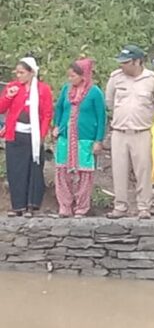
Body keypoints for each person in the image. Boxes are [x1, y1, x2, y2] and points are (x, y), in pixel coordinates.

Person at [105, 45, 154, 219]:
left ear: (137, 61)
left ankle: (144, 207)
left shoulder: (152, 79)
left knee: (143, 170)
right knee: (119, 170)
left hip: (141, 131)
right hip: (120, 131)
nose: (122, 66)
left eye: (126, 62)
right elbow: (109, 101)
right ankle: (120, 206)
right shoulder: (116, 78)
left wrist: (145, 115)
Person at [52, 58, 106, 218]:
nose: (70, 79)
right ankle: (65, 206)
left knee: (84, 174)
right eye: (69, 76)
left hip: (85, 139)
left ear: (84, 75)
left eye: (73, 76)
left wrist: (98, 140)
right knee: (62, 172)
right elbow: (60, 108)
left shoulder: (94, 92)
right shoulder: (66, 90)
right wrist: (56, 126)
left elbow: (101, 117)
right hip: (65, 138)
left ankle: (82, 207)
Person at [0, 57, 53, 217]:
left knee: (33, 169)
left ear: (31, 73)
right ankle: (18, 205)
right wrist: (8, 96)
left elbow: (46, 114)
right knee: (16, 170)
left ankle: (31, 205)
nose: (19, 76)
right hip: (15, 135)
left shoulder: (43, 89)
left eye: (22, 73)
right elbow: (1, 109)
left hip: (33, 136)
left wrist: (42, 134)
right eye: (17, 73)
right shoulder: (13, 87)